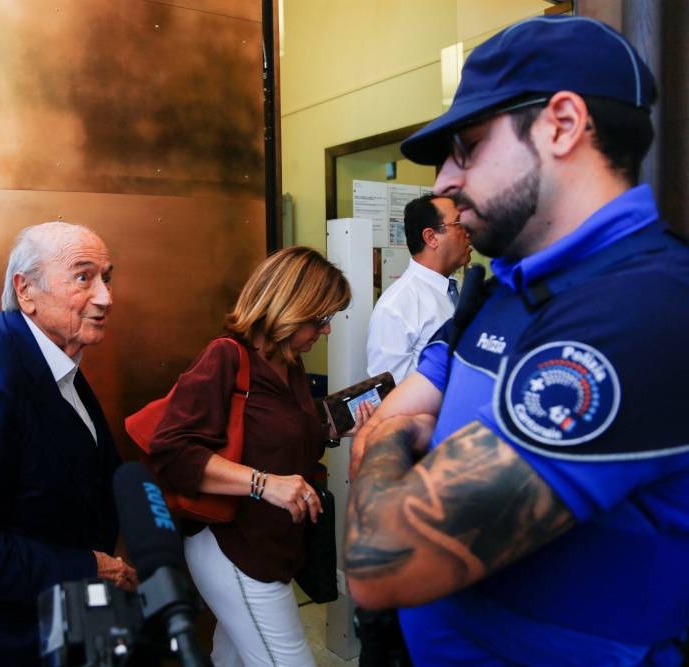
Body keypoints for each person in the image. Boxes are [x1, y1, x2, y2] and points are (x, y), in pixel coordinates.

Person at [344, 16, 689, 666]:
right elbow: (379, 429)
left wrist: (401, 435)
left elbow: (379, 556)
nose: (444, 181)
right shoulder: (501, 290)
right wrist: (397, 431)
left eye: (467, 147)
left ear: (562, 124)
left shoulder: (643, 307)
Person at [0, 221, 136, 665]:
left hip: (58, 617)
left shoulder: (46, 351)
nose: (105, 297)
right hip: (7, 637)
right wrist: (92, 567)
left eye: (106, 277)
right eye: (83, 277)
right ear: (26, 290)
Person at [149, 246, 351, 667]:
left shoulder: (290, 364)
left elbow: (281, 441)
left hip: (271, 545)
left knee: (232, 659)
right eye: (321, 318)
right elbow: (173, 452)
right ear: (291, 307)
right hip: (234, 547)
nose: (327, 330)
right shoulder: (225, 357)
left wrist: (330, 428)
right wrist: (264, 483)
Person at [366, 194, 471, 383]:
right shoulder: (394, 307)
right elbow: (393, 390)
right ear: (431, 237)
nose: (468, 233)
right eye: (459, 224)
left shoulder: (459, 289)